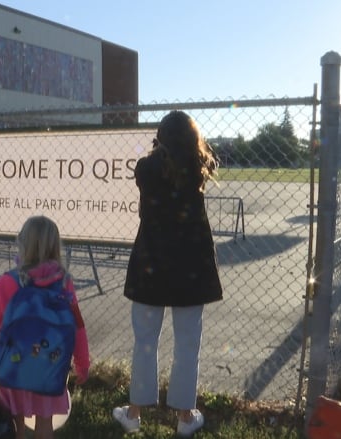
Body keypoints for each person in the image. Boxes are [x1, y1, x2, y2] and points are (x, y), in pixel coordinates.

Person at [112, 110, 223, 437]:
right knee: (188, 343)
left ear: (160, 137)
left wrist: (158, 148)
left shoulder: (146, 168)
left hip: (152, 264)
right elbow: (204, 161)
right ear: (193, 139)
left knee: (145, 340)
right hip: (191, 267)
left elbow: (150, 164)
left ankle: (134, 413)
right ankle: (185, 417)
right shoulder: (200, 166)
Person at [0, 215, 90, 439]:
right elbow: (77, 326)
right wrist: (82, 363)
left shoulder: (8, 282)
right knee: (44, 422)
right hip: (50, 366)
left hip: (13, 367)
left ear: (22, 243)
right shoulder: (64, 283)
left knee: (14, 421)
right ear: (55, 245)